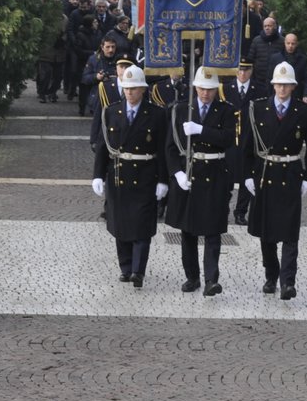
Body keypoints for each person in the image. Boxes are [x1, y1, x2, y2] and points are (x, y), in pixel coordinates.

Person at [245, 61, 307, 300]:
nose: (282, 89)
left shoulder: (304, 111)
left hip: (290, 174)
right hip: (266, 174)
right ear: (273, 85)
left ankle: (288, 282)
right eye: (279, 84)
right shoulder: (258, 108)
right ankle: (271, 274)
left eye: (287, 85)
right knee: (267, 233)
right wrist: (247, 175)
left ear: (294, 87)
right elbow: (247, 146)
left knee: (289, 233)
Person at [91, 64, 169, 287]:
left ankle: (138, 270)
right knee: (120, 224)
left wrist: (163, 180)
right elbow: (103, 144)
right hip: (118, 175)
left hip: (145, 176)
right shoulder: (111, 112)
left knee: (142, 226)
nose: (130, 92)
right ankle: (125, 267)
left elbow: (163, 149)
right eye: (126, 88)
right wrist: (97, 175)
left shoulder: (156, 114)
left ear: (143, 90)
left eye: (134, 89)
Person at [165, 66, 240, 295]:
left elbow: (228, 139)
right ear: (195, 87)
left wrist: (201, 130)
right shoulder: (181, 110)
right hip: (190, 171)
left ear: (215, 89)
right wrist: (176, 173)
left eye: (210, 89)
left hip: (215, 172)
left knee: (213, 230)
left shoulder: (225, 110)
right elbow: (170, 146)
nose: (205, 94)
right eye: (202, 88)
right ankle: (192, 276)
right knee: (188, 231)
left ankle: (211, 280)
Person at [223, 59, 267, 225]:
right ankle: (223, 209)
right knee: (226, 178)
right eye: (240, 70)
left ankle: (240, 212)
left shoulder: (260, 90)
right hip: (229, 139)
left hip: (249, 139)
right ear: (235, 70)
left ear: (251, 70)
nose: (243, 73)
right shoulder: (225, 89)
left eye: (246, 70)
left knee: (246, 177)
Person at [271, 31, 307, 104]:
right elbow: (269, 78)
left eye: (293, 44)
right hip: (279, 96)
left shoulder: (302, 59)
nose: (290, 46)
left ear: (297, 44)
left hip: (297, 96)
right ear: (284, 43)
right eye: (288, 43)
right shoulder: (275, 58)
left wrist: (306, 95)